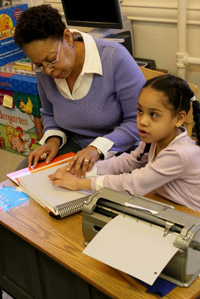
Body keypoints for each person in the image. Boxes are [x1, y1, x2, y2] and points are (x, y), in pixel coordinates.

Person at [14, 4, 145, 175]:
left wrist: (96, 148)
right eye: (39, 65)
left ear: (67, 38)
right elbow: (49, 113)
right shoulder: (45, 70)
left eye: (51, 60)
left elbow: (138, 122)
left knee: (88, 189)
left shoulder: (114, 58)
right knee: (24, 173)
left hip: (121, 149)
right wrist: (52, 140)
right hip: (75, 146)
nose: (47, 71)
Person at [49, 74, 200, 211]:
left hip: (189, 218)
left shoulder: (178, 154)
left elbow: (133, 184)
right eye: (140, 111)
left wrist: (78, 184)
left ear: (179, 118)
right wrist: (83, 171)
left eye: (153, 114)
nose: (142, 121)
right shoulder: (155, 139)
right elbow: (128, 163)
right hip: (165, 205)